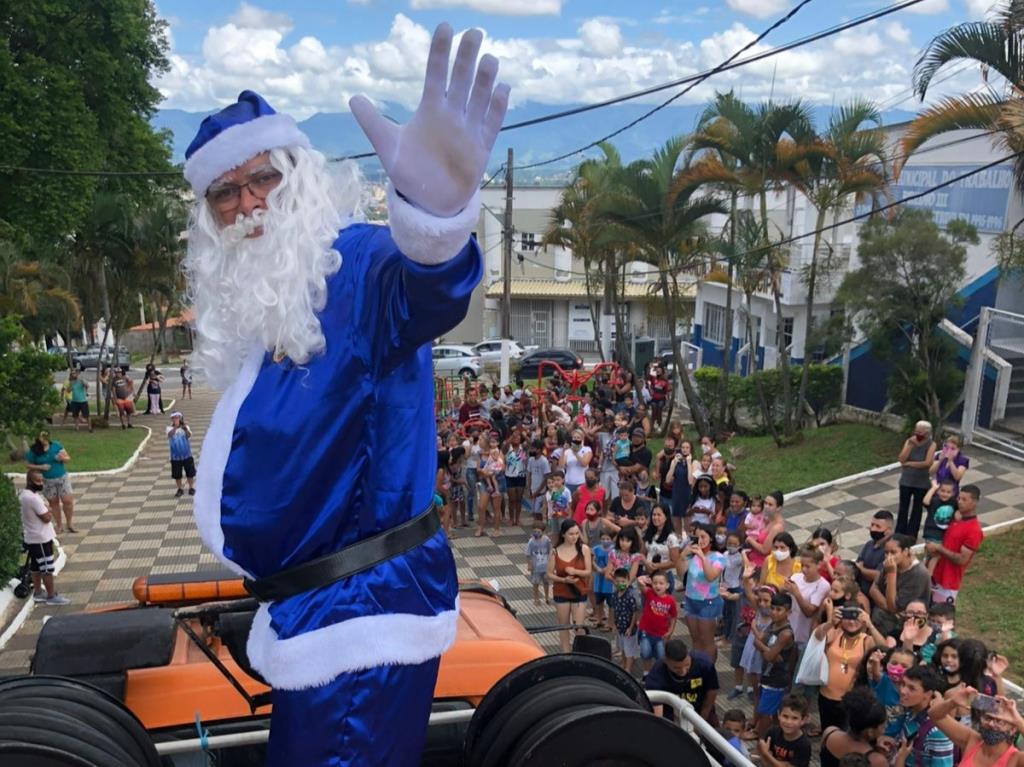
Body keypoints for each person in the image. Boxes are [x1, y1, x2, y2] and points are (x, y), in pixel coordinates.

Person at [182, 26, 510, 766]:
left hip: (364, 613)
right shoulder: (267, 306)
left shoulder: (353, 265)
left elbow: (425, 288)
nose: (247, 204)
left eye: (263, 178)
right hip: (315, 614)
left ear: (298, 176)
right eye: (225, 192)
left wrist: (433, 216)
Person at [814, 601, 878, 732]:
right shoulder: (835, 633)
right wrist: (831, 621)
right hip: (826, 696)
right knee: (827, 732)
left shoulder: (867, 640)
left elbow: (885, 650)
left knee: (847, 735)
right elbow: (817, 636)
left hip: (851, 700)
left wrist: (870, 624)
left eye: (856, 617)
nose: (851, 622)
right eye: (847, 617)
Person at [926, 686, 1024, 767]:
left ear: (1012, 730)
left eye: (1000, 722)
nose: (991, 724)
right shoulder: (971, 740)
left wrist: (1018, 721)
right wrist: (952, 702)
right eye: (988, 718)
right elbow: (935, 716)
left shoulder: (1016, 759)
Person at [19, 470, 70, 605]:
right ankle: (51, 596)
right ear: (29, 481)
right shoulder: (33, 498)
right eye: (38, 481)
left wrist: (47, 509)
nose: (41, 484)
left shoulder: (24, 495)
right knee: (47, 568)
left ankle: (38, 593)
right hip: (40, 538)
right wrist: (50, 510)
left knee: (36, 567)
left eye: (42, 481)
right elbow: (47, 517)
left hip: (32, 537)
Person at [927, 484, 983, 605]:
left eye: (964, 499)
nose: (960, 502)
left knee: (940, 620)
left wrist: (939, 548)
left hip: (948, 583)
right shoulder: (955, 518)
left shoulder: (974, 530)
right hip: (934, 578)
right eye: (959, 498)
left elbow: (962, 560)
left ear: (974, 503)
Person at [869, 533, 932, 636]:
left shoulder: (918, 574)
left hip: (902, 624)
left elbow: (894, 606)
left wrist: (892, 573)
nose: (889, 557)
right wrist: (888, 607)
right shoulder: (890, 564)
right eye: (886, 552)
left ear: (906, 551)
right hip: (883, 614)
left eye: (893, 552)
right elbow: (873, 589)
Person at [645, 638, 720, 724]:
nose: (683, 671)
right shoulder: (657, 673)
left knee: (721, 734)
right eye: (677, 668)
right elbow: (658, 713)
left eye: (687, 665)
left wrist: (702, 720)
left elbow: (712, 691)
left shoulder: (704, 665)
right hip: (671, 717)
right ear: (665, 660)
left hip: (702, 710)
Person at [892, 665, 955, 767]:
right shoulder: (909, 714)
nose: (903, 691)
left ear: (928, 694)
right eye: (903, 684)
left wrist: (900, 759)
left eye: (911, 688)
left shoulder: (938, 732)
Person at [753, 592, 796, 734]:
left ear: (788, 611)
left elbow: (769, 656)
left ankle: (761, 743)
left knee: (766, 712)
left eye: (779, 610)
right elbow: (757, 641)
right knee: (774, 711)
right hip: (767, 675)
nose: (774, 613)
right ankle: (776, 739)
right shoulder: (773, 625)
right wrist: (767, 650)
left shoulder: (786, 633)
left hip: (777, 679)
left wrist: (765, 649)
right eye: (773, 608)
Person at [683, 523, 726, 663]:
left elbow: (711, 576)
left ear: (711, 538)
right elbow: (679, 571)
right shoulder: (692, 555)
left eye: (703, 537)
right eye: (698, 537)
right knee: (695, 639)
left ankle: (708, 672)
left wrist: (702, 557)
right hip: (690, 600)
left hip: (708, 602)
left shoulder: (719, 557)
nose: (700, 540)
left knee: (706, 640)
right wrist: (683, 554)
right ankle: (697, 669)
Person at [547, 519, 592, 653]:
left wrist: (575, 572)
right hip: (561, 592)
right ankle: (566, 654)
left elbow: (588, 571)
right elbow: (549, 573)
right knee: (563, 627)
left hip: (579, 591)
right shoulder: (555, 551)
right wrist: (563, 579)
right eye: (571, 534)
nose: (574, 537)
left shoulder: (584, 549)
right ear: (563, 535)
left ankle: (580, 653)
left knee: (579, 627)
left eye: (577, 533)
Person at [820, 687, 889, 767]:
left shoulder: (830, 733)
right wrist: (901, 757)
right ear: (870, 731)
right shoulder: (877, 761)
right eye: (883, 726)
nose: (886, 727)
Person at [24, 431, 76, 534]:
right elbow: (27, 464)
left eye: (45, 436)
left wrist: (63, 458)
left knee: (67, 500)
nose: (44, 439)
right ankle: (59, 525)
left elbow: (67, 458)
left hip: (62, 477)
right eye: (41, 437)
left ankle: (69, 523)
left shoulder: (56, 445)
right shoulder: (34, 450)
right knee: (54, 502)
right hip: (47, 480)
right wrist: (41, 467)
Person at [783, 545, 831, 653]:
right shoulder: (796, 577)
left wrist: (796, 593)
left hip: (803, 636)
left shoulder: (823, 585)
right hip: (788, 630)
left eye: (808, 566)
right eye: (802, 565)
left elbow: (809, 612)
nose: (804, 569)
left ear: (818, 565)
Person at [897, 421, 937, 538]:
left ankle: (912, 534)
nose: (917, 434)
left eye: (920, 432)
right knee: (903, 507)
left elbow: (927, 463)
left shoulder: (931, 444)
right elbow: (901, 459)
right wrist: (910, 445)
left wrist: (909, 464)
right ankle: (900, 531)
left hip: (921, 482)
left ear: (927, 433)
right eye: (916, 431)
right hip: (906, 480)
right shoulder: (909, 441)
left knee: (917, 509)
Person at [637, 571, 678, 670]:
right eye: (655, 583)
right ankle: (646, 672)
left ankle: (660, 673)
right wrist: (642, 579)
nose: (657, 586)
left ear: (667, 585)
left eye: (661, 583)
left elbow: (674, 616)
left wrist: (670, 631)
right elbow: (640, 584)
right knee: (645, 653)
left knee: (661, 656)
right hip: (646, 631)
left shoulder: (671, 600)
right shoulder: (649, 593)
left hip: (661, 634)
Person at [757, 694, 812, 767]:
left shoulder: (803, 745)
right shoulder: (772, 732)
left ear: (803, 720)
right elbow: (765, 761)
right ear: (779, 715)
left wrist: (766, 754)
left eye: (794, 718)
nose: (789, 722)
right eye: (785, 716)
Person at [609, 567, 642, 674]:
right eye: (618, 581)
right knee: (622, 647)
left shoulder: (631, 595)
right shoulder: (614, 595)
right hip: (620, 626)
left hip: (629, 628)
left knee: (629, 649)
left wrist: (631, 627)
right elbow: (613, 609)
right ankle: (624, 664)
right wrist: (613, 624)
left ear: (628, 581)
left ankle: (628, 669)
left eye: (623, 581)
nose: (620, 584)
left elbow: (634, 612)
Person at [856, 510, 894, 596]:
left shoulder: (890, 549)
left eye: (878, 526)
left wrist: (862, 570)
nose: (873, 529)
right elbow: (858, 563)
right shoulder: (869, 544)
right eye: (872, 525)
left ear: (888, 530)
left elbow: (878, 575)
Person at [167, 412, 196, 498]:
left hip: (187, 455)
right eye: (174, 418)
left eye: (177, 417)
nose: (176, 419)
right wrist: (175, 427)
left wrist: (185, 429)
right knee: (177, 474)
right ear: (171, 419)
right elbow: (170, 435)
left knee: (190, 473)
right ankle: (180, 489)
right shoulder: (169, 428)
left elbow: (189, 435)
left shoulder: (185, 427)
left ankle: (191, 488)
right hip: (175, 457)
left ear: (180, 418)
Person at [526, 522, 551, 606]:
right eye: (535, 531)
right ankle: (536, 598)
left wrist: (551, 564)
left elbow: (550, 551)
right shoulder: (531, 541)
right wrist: (529, 564)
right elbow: (528, 554)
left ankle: (547, 597)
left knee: (546, 582)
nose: (536, 533)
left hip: (545, 566)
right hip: (535, 567)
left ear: (543, 532)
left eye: (539, 532)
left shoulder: (547, 540)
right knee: (535, 583)